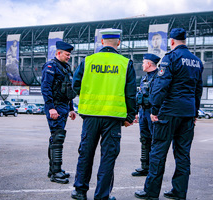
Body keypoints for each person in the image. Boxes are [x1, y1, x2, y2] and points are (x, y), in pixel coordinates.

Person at [135, 28, 204, 200]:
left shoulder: (170, 58)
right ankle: (179, 192)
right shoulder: (197, 61)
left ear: (172, 42)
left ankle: (151, 193)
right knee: (183, 154)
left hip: (168, 112)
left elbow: (160, 86)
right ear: (185, 41)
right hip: (187, 113)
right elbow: (198, 90)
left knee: (158, 151)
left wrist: (155, 110)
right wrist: (195, 112)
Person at [71, 28, 137, 200]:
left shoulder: (88, 61)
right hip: (113, 118)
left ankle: (79, 191)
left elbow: (75, 85)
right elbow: (130, 93)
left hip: (90, 115)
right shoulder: (125, 63)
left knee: (86, 153)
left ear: (102, 42)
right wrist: (130, 116)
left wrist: (88, 96)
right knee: (108, 157)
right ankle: (102, 196)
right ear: (118, 43)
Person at [41, 41, 77, 184]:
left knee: (56, 138)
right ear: (58, 53)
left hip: (63, 107)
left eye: (69, 55)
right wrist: (50, 107)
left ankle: (54, 169)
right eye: (67, 54)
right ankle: (55, 172)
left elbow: (69, 90)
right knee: (57, 138)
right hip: (55, 107)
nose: (69, 57)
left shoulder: (66, 68)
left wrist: (71, 108)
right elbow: (46, 88)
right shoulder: (51, 67)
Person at [132, 53, 160, 177]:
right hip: (143, 112)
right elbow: (140, 95)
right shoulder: (145, 78)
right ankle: (145, 166)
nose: (142, 64)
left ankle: (154, 169)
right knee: (144, 140)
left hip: (152, 113)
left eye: (143, 62)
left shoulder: (159, 77)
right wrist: (137, 112)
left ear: (149, 64)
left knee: (155, 141)